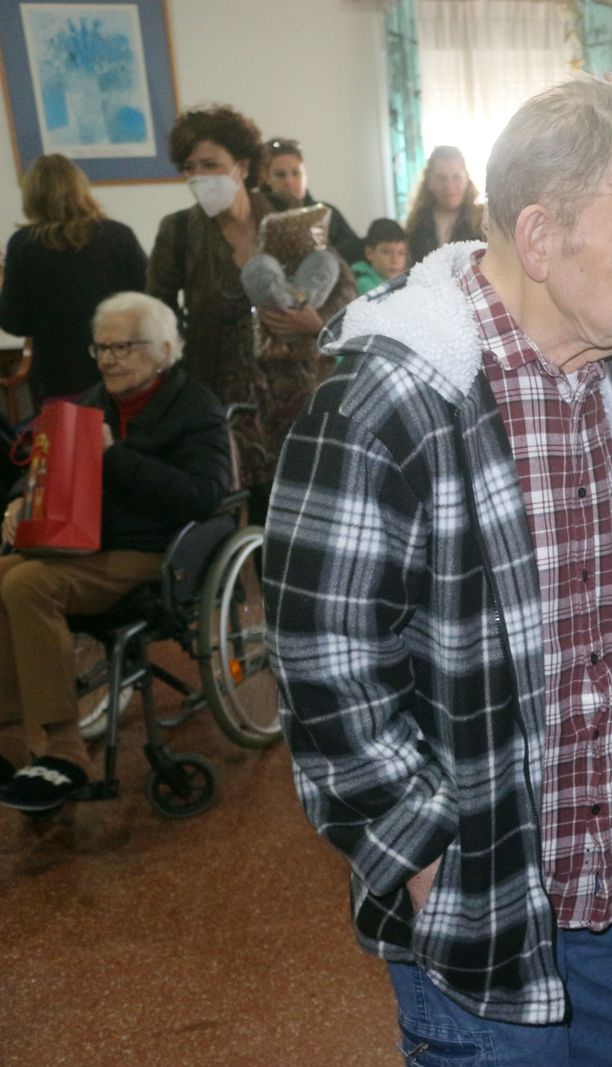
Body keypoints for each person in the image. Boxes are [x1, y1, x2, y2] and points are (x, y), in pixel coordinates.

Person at [263, 75, 612, 1064]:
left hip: (606, 880)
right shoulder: (386, 404)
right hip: (476, 905)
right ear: (541, 239)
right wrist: (422, 859)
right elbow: (325, 666)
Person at [0, 292, 231, 810]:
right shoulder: (88, 404)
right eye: (101, 348)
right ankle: (13, 742)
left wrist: (115, 456)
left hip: (152, 551)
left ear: (165, 349)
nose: (109, 359)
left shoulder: (196, 408)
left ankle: (64, 753)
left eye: (123, 347)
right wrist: (18, 505)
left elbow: (203, 496)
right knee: (5, 575)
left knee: (26, 583)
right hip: (81, 545)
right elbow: (39, 469)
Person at [147, 105, 355, 523]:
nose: (199, 177)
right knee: (255, 513)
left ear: (241, 166)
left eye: (211, 164)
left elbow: (342, 284)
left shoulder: (285, 215)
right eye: (189, 168)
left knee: (314, 503)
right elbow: (157, 313)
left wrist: (317, 322)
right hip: (225, 395)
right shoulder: (180, 231)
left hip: (299, 385)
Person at [0, 155, 148, 406]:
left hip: (59, 377)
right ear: (81, 188)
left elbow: (13, 322)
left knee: (69, 444)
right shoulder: (119, 236)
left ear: (31, 196)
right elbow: (148, 302)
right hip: (123, 370)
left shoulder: (23, 245)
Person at [259, 137, 364, 264]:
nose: (289, 181)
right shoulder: (257, 216)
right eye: (280, 175)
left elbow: (356, 249)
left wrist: (322, 256)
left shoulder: (326, 211)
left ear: (305, 174)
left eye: (296, 173)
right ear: (266, 178)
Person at [404, 145, 483, 264]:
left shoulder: (482, 222)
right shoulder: (416, 223)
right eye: (441, 178)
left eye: (456, 177)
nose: (449, 186)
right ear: (430, 182)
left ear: (466, 179)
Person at [351, 218, 407, 295]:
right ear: (369, 253)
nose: (395, 260)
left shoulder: (405, 280)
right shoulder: (364, 285)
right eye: (386, 252)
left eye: (401, 253)